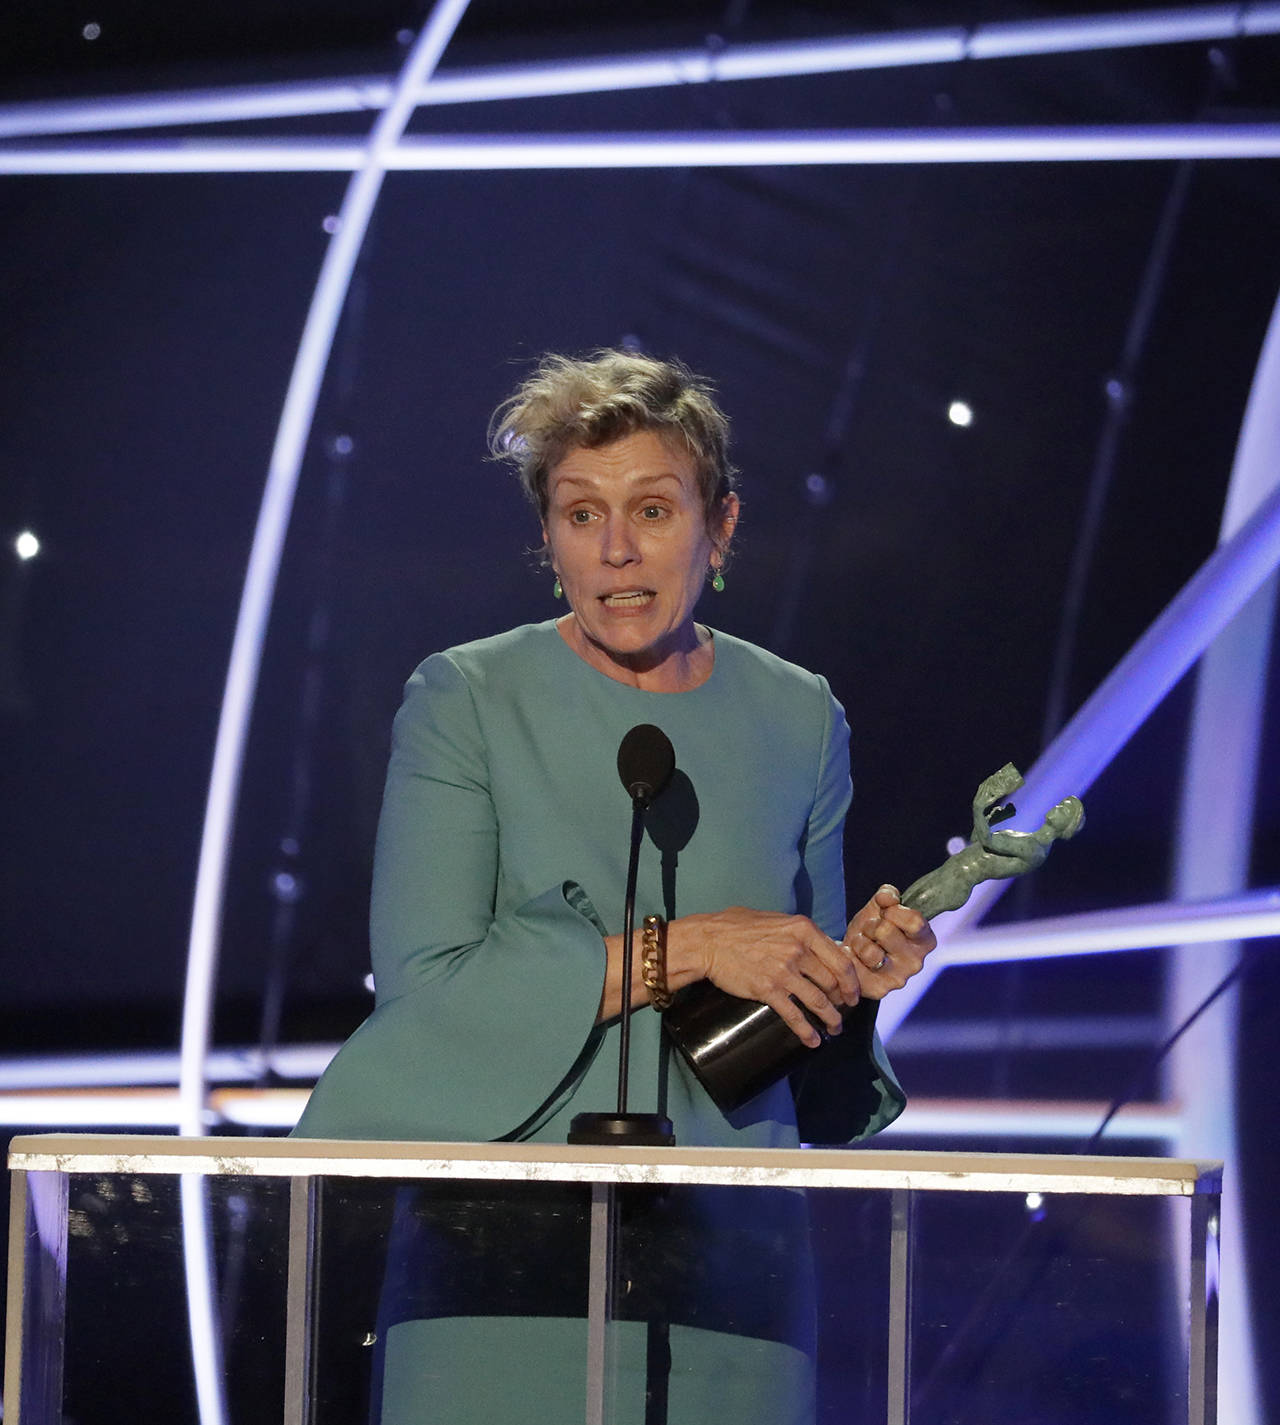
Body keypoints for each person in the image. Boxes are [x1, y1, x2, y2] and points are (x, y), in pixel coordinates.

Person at [294, 350, 937, 1423]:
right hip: (495, 1282)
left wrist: (853, 982)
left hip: (732, 1291)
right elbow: (427, 996)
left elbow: (799, 1065)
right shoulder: (466, 700)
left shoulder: (798, 717)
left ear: (721, 526)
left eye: (652, 508)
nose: (617, 550)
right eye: (579, 514)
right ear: (547, 540)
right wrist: (681, 949)